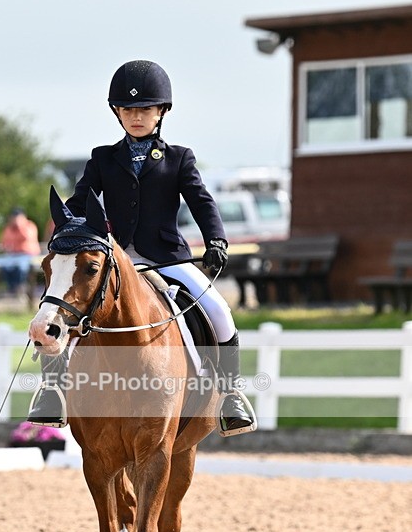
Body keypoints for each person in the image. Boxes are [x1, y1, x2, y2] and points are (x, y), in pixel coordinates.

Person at [29, 60, 255, 436]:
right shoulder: (103, 158)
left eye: (145, 110)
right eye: (129, 110)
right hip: (116, 260)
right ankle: (51, 391)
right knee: (60, 309)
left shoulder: (179, 158)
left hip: (166, 258)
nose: (136, 117)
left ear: (161, 112)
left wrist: (216, 237)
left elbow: (201, 200)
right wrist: (66, 226)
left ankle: (231, 395)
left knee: (219, 311)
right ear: (117, 113)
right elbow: (82, 199)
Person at [0, 207, 40, 294]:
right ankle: (12, 289)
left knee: (21, 268)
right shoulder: (9, 228)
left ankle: (21, 288)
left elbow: (27, 237)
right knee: (5, 267)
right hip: (13, 255)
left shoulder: (29, 226)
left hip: (28, 254)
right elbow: (3, 242)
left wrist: (20, 225)